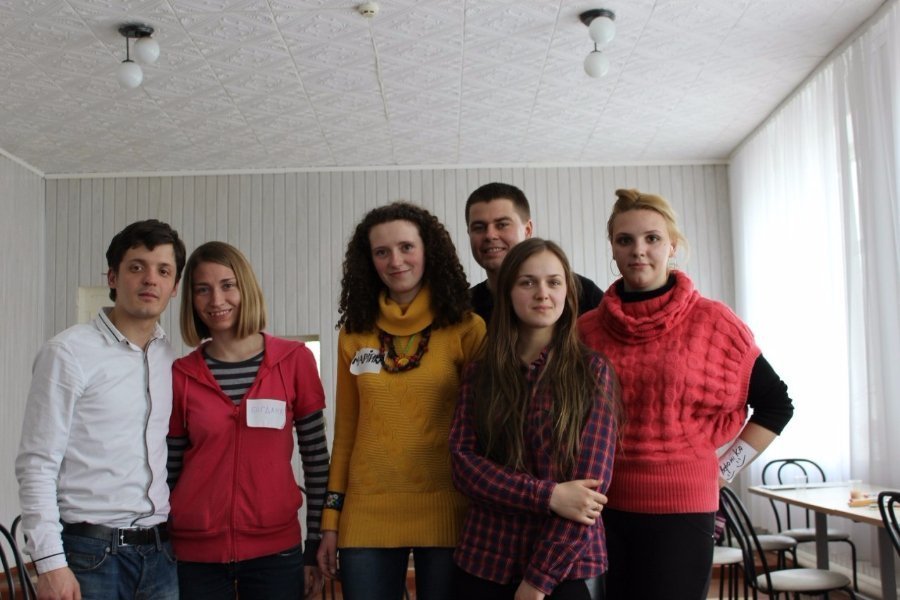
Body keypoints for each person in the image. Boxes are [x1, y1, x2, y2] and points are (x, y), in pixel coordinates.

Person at [577, 189, 795, 600]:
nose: (638, 250)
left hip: (684, 508)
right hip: (603, 508)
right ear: (613, 247)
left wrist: (724, 470)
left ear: (672, 245)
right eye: (625, 240)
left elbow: (776, 405)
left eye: (652, 238)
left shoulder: (714, 322)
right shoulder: (586, 329)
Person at [317, 201, 486, 600]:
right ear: (369, 261)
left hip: (449, 506)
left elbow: (484, 430)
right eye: (382, 252)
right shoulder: (354, 333)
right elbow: (346, 433)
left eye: (406, 247)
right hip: (366, 512)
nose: (395, 261)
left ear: (428, 250)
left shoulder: (467, 328)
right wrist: (330, 519)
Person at [16, 219, 186, 600]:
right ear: (112, 277)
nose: (150, 279)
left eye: (163, 271)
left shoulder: (168, 357)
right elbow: (37, 464)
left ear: (174, 287)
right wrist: (49, 563)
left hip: (161, 555)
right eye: (137, 267)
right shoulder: (68, 353)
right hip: (90, 555)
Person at [450, 238, 619, 600]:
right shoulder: (480, 373)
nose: (542, 293)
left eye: (553, 282)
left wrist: (539, 580)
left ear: (567, 293)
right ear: (508, 293)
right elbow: (463, 466)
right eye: (527, 282)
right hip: (484, 558)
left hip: (566, 566)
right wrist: (549, 495)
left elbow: (588, 496)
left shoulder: (592, 372)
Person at [166, 241, 329, 600]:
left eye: (228, 285)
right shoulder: (180, 375)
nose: (216, 300)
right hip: (195, 555)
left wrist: (315, 541)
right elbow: (170, 469)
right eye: (202, 289)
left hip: (277, 553)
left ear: (246, 288)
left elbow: (317, 460)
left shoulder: (294, 360)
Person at [465, 182, 603, 323]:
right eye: (479, 227)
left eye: (502, 225)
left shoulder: (585, 294)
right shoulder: (463, 309)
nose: (490, 235)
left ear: (527, 230)